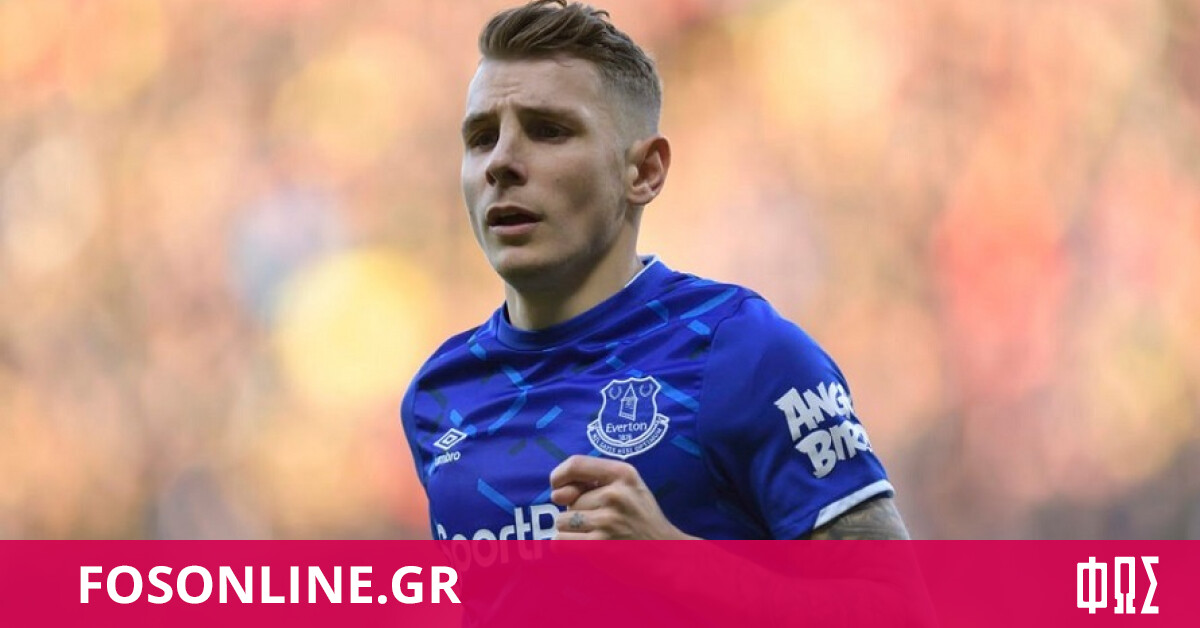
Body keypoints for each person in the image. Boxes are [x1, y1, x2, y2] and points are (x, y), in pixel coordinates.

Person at [401, 0, 909, 541]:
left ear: (644, 171)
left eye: (548, 130)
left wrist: (672, 561)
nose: (500, 162)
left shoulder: (744, 353)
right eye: (481, 137)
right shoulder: (440, 395)